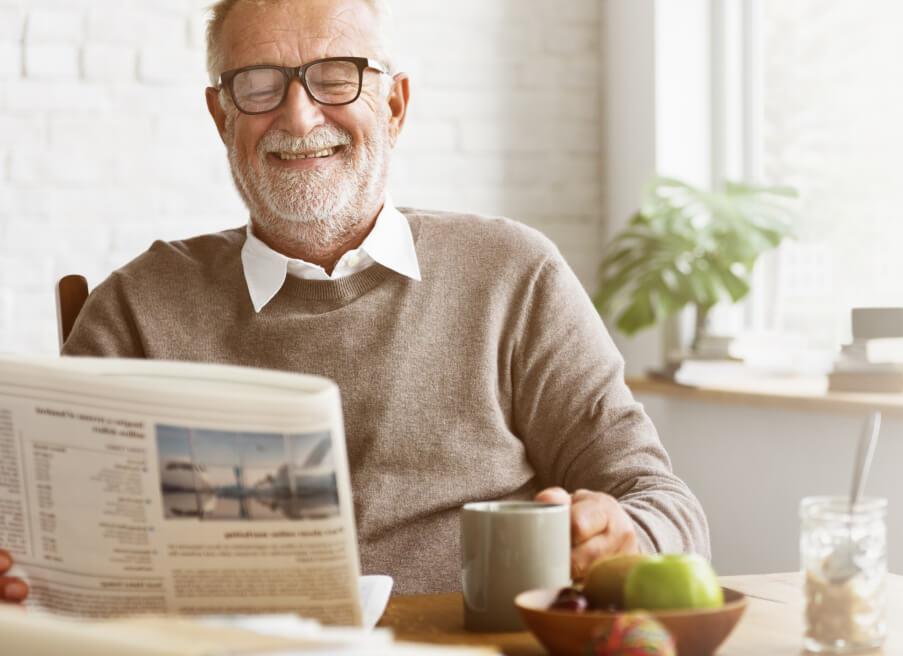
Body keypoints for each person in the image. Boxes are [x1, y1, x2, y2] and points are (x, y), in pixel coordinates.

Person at [0, 0, 707, 601]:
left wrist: (623, 535)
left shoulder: (512, 274)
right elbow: (49, 542)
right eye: (258, 86)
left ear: (393, 105)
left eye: (336, 79)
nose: (300, 117)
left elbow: (665, 506)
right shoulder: (137, 307)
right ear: (221, 118)